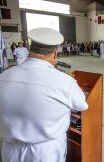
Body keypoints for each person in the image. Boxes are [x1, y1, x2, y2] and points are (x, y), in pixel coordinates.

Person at [0, 27, 88, 162]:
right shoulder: (65, 81)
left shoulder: (4, 76)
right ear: (54, 53)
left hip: (10, 151)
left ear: (30, 49)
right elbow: (82, 105)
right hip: (45, 153)